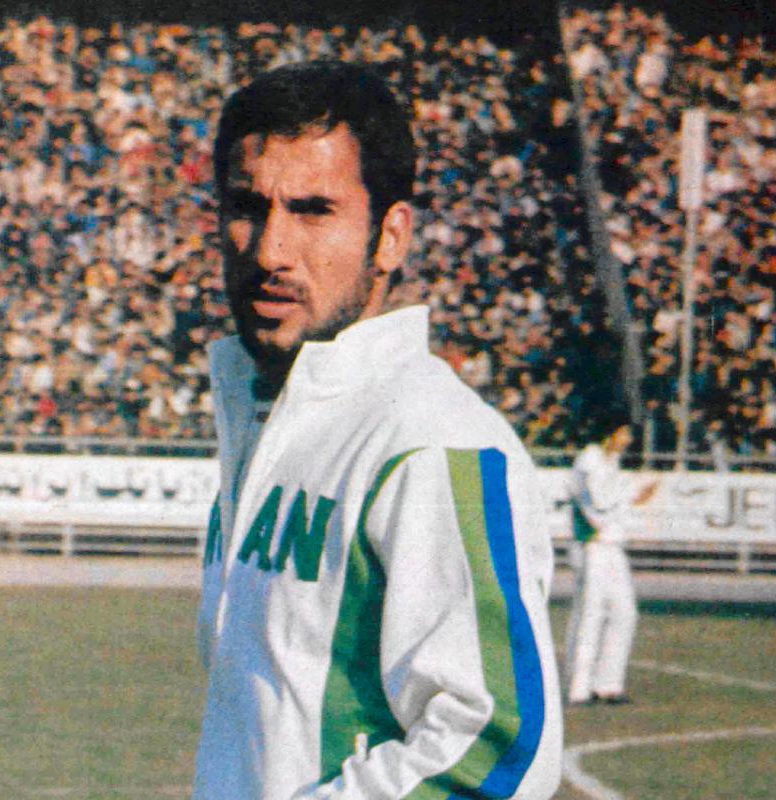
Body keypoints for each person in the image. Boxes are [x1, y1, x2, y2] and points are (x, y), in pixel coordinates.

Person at [192, 60, 562, 800]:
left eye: (313, 211)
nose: (270, 251)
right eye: (248, 206)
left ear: (390, 237)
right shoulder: (272, 420)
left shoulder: (432, 441)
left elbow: (496, 750)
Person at [564, 421, 657, 705]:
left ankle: (608, 685)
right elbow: (599, 504)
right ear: (610, 432)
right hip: (592, 545)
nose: (628, 439)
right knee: (590, 616)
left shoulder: (610, 461)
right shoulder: (589, 461)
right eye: (624, 433)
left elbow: (613, 505)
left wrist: (635, 497)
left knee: (624, 613)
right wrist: (630, 494)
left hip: (612, 546)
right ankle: (579, 687)